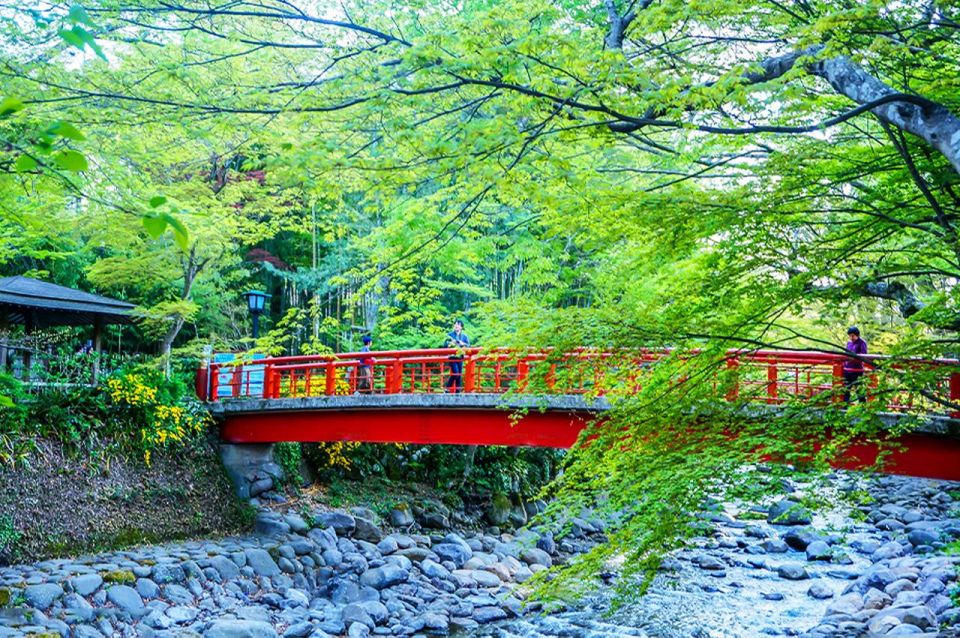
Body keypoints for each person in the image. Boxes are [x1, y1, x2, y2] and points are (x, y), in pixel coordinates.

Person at [843, 326, 868, 403]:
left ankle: (863, 406)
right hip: (847, 369)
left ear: (857, 335)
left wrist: (854, 357)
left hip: (857, 370)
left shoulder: (862, 343)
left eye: (853, 335)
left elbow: (863, 355)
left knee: (859, 390)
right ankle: (845, 406)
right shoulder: (849, 343)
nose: (851, 337)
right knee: (846, 389)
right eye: (850, 335)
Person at [444, 320, 470, 393]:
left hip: (460, 356)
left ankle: (457, 391)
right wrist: (451, 343)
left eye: (458, 325)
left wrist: (462, 344)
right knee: (456, 373)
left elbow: (469, 346)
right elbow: (444, 345)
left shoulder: (464, 336)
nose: (456, 326)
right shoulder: (449, 335)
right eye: (455, 325)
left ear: (461, 327)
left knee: (459, 374)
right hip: (452, 357)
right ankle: (448, 388)